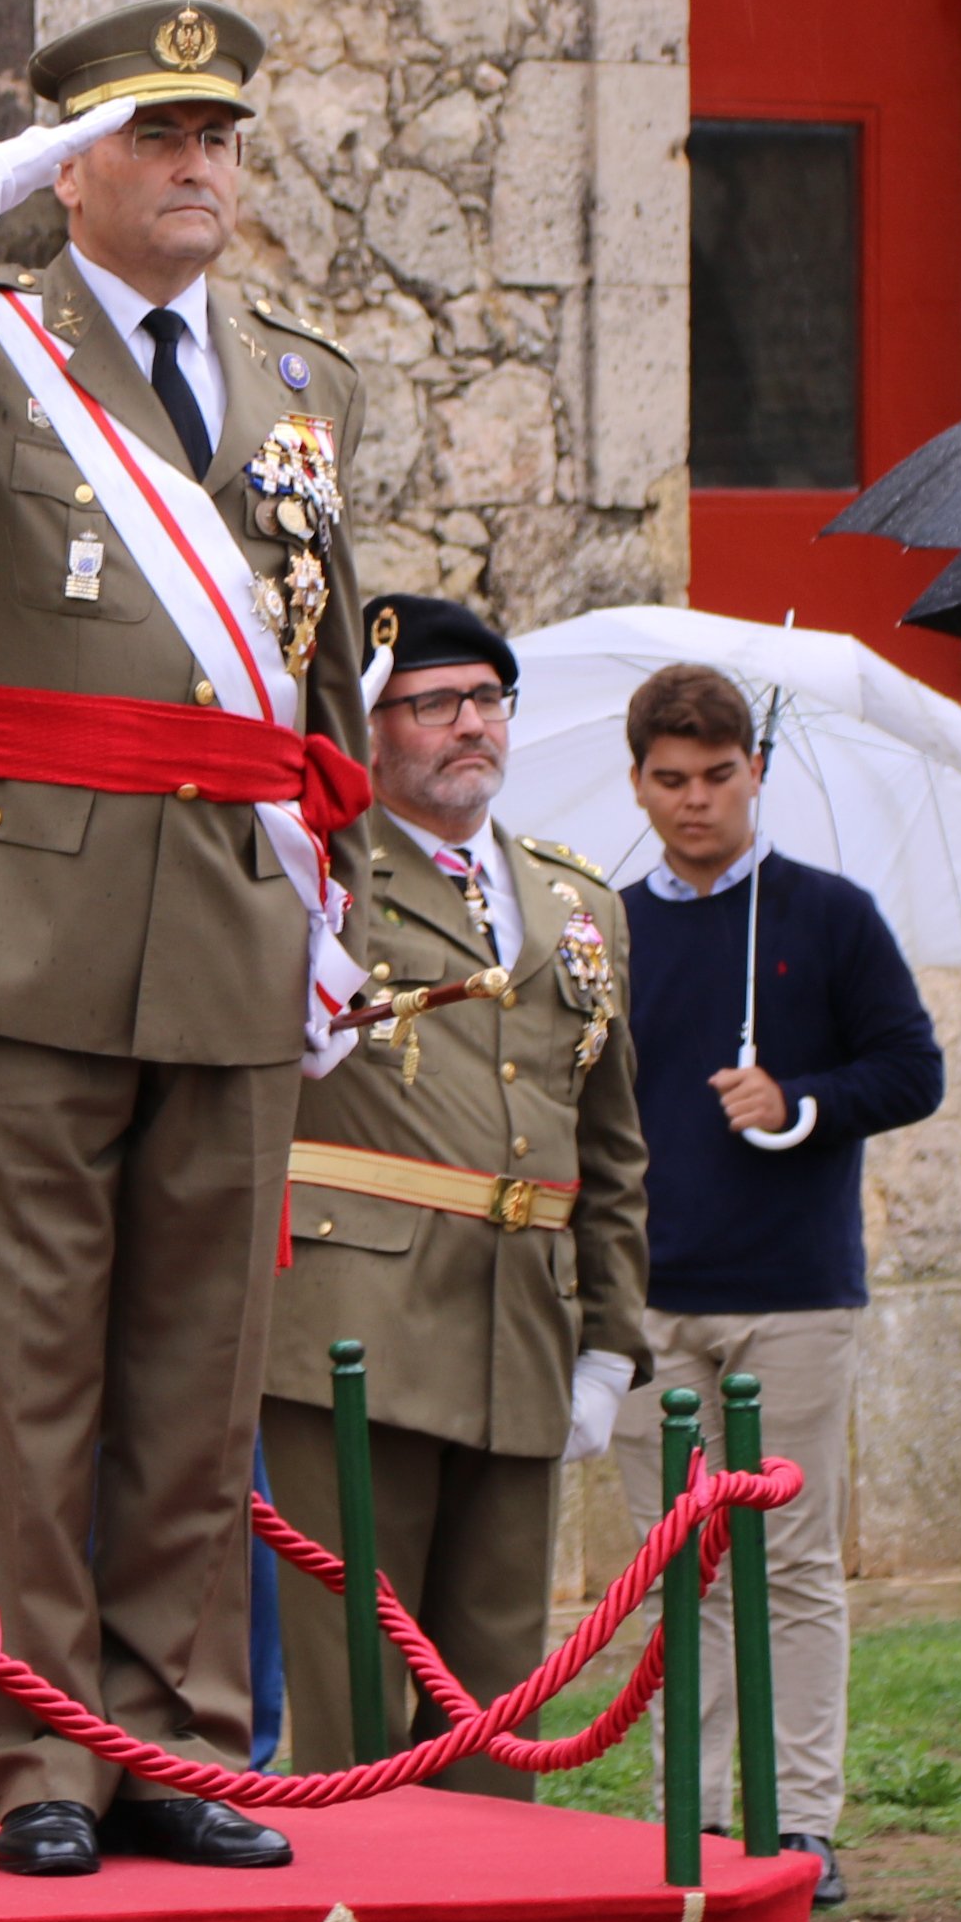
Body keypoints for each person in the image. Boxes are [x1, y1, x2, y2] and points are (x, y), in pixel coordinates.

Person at [0, 0, 368, 1879]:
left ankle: (177, 1738)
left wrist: (333, 895)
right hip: (29, 909)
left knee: (202, 1358)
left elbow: (320, 653)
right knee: (31, 1360)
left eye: (220, 135)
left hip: (231, 914)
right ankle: (46, 1754)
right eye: (156, 133)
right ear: (78, 160)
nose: (200, 164)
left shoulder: (293, 379)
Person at [258, 596, 647, 1793]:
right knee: (356, 1682)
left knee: (494, 1683)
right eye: (432, 704)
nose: (469, 725)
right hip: (353, 1318)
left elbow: (613, 1144)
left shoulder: (579, 904)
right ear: (368, 729)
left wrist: (609, 1344)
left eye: (487, 700)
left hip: (518, 1326)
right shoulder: (315, 873)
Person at [611, 660, 940, 1908]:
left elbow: (912, 1070)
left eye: (717, 776)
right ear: (638, 781)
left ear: (757, 770)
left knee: (791, 1562)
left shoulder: (828, 915)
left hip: (795, 1291)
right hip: (649, 1292)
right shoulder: (612, 927)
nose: (695, 801)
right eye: (670, 779)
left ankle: (802, 1817)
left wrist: (799, 1100)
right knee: (676, 1564)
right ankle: (685, 1813)